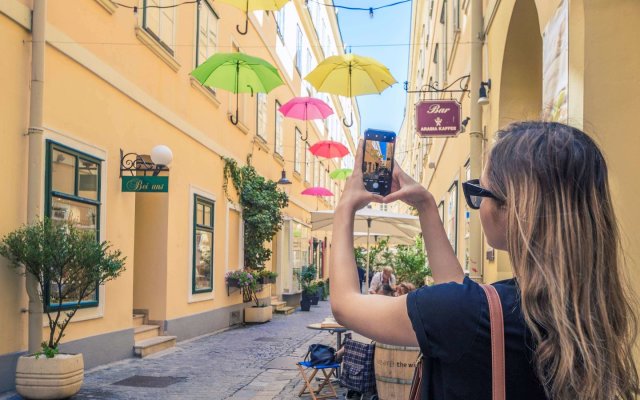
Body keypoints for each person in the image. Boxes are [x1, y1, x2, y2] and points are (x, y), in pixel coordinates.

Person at [329, 122, 639, 400]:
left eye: (479, 191)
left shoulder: (468, 314)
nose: (478, 205)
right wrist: (425, 205)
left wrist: (345, 207)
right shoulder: (584, 307)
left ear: (513, 208)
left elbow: (345, 304)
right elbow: (461, 298)